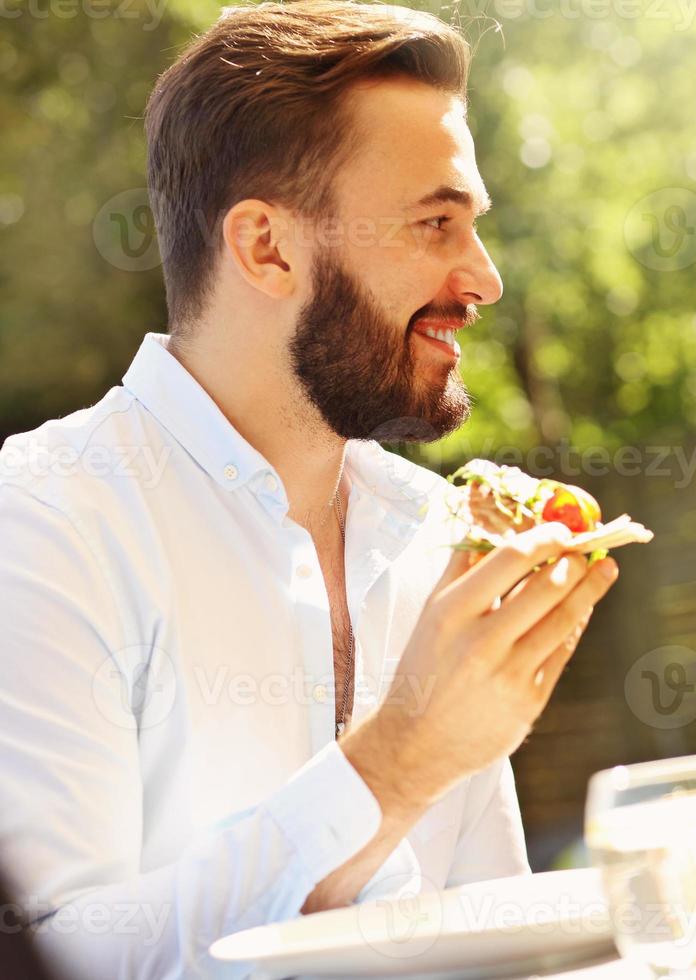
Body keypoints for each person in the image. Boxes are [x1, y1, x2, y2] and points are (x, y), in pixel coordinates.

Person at [0, 3, 618, 976]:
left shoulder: (431, 534)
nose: (484, 277)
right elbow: (60, 953)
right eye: (435, 221)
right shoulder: (42, 521)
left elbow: (496, 932)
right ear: (267, 248)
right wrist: (395, 761)